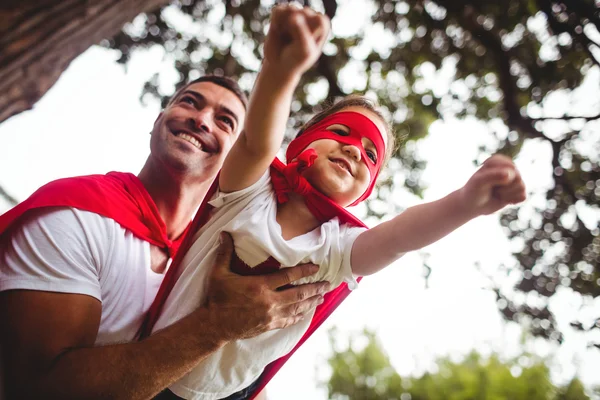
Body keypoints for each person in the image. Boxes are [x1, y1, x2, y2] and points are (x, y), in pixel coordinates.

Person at [143, 4, 528, 400]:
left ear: (365, 190)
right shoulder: (246, 190)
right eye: (342, 132)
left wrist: (465, 203)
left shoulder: (338, 248)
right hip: (152, 367)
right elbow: (257, 140)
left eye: (371, 154)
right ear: (303, 142)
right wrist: (281, 69)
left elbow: (399, 237)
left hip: (226, 395)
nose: (355, 150)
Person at [0, 45, 331, 400]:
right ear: (158, 120)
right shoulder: (76, 215)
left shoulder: (217, 255)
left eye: (225, 121)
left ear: (237, 159)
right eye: (189, 102)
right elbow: (35, 389)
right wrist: (216, 325)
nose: (201, 119)